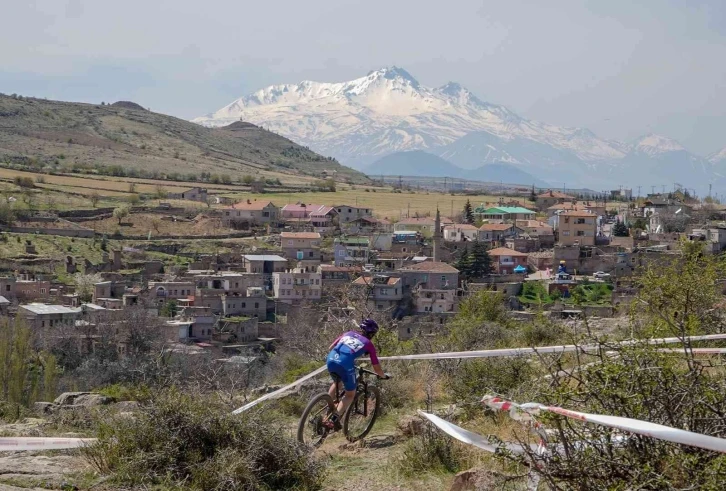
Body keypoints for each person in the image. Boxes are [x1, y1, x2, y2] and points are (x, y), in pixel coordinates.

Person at [324, 319, 389, 430]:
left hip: (331, 358)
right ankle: (333, 420)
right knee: (350, 395)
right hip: (345, 364)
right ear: (372, 334)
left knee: (337, 382)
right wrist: (383, 376)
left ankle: (328, 408)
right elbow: (376, 368)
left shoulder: (348, 333)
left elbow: (330, 347)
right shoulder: (369, 344)